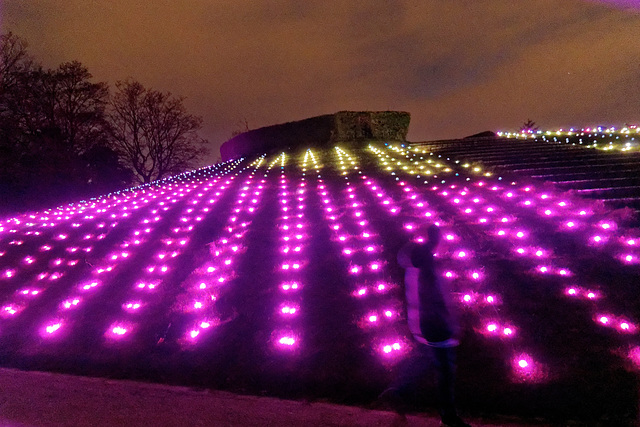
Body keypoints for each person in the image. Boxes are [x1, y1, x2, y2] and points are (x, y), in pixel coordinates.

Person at [381, 224, 470, 427]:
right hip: (436, 325)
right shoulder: (427, 267)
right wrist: (452, 325)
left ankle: (399, 391)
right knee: (446, 370)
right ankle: (448, 416)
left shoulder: (414, 261)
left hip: (419, 322)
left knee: (426, 358)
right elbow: (437, 298)